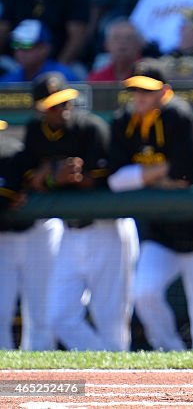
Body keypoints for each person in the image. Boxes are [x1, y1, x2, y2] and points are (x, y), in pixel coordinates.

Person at [24, 72, 139, 351]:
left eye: (64, 102)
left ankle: (117, 378)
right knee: (58, 317)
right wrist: (53, 177)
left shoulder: (91, 127)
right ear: (40, 108)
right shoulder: (34, 131)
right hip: (69, 232)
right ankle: (110, 367)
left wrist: (75, 178)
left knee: (111, 319)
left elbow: (106, 181)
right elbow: (29, 179)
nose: (61, 109)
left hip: (107, 230)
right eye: (53, 105)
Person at [107, 60, 193, 350]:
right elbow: (115, 179)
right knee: (144, 292)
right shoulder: (124, 119)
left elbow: (187, 174)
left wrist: (141, 177)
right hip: (161, 233)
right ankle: (171, 352)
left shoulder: (178, 114)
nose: (139, 97)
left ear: (164, 91)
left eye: (147, 91)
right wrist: (160, 173)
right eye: (136, 90)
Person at [0, 116, 61, 350]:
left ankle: (41, 379)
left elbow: (39, 183)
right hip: (4, 239)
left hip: (35, 233)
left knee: (40, 311)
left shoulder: (13, 153)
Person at [0, 20, 78, 83]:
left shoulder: (63, 77)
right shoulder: (9, 80)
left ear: (44, 49)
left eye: (27, 45)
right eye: (16, 44)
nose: (20, 52)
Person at [88, 18, 145, 82]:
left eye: (129, 38)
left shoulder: (151, 75)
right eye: (116, 38)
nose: (123, 42)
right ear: (106, 44)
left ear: (140, 44)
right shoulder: (97, 79)